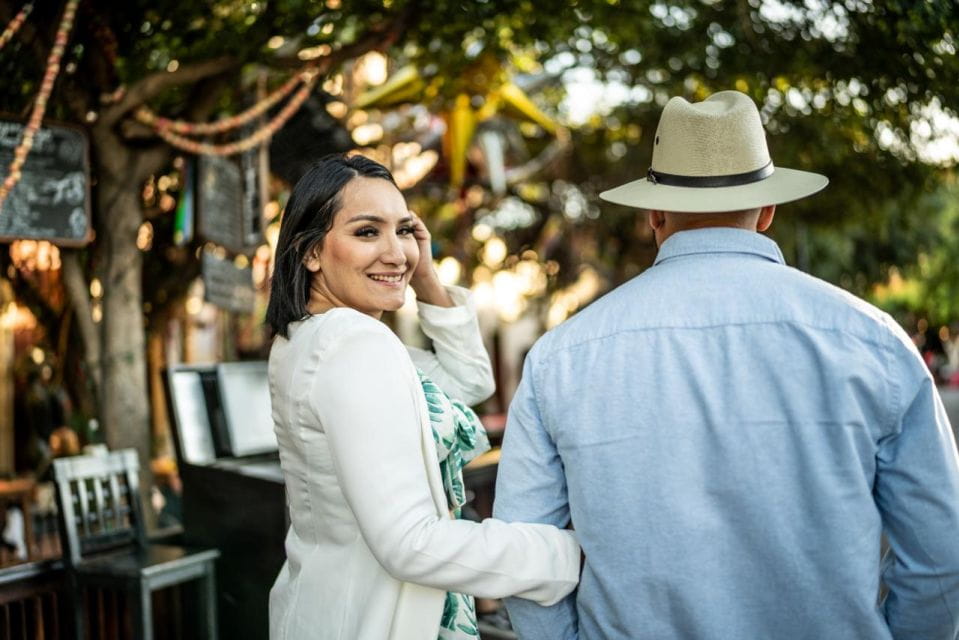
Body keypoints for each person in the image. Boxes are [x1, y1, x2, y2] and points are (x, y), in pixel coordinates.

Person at [493, 90, 959, 640]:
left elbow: (525, 557)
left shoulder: (560, 359)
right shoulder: (872, 342)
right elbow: (940, 554)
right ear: (767, 210)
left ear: (654, 212)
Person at [265, 153, 580, 640]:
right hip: (374, 620)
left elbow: (469, 381)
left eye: (404, 230)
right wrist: (565, 553)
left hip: (325, 608)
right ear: (310, 252)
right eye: (367, 232)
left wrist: (426, 275)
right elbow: (410, 543)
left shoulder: (308, 337)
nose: (396, 253)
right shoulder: (356, 344)